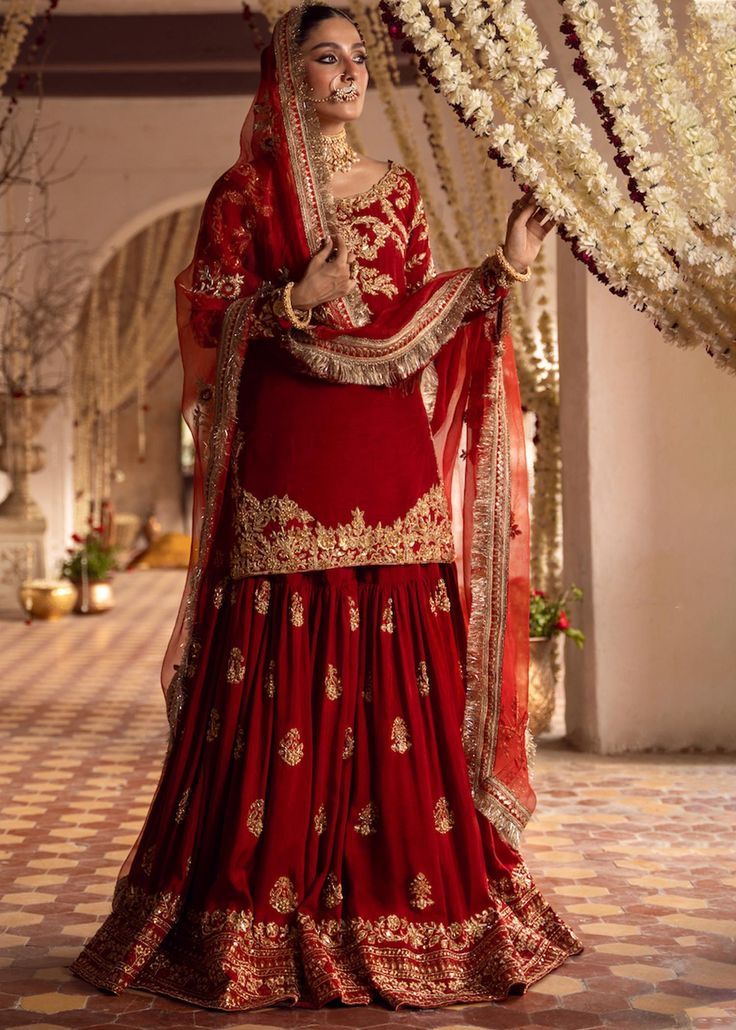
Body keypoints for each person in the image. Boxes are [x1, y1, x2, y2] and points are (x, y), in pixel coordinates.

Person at [70, 0, 583, 1010]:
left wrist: (505, 268)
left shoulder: (395, 193)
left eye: (358, 60)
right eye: (325, 59)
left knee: (399, 684)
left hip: (386, 462)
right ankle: (254, 909)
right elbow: (213, 327)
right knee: (276, 682)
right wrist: (288, 302)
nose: (347, 76)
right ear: (286, 73)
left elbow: (414, 321)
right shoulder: (245, 195)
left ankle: (417, 905)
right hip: (291, 469)